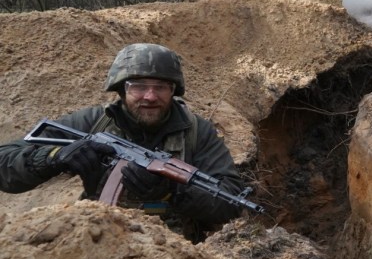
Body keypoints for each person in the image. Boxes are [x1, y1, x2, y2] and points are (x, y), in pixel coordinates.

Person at [0, 43, 246, 242]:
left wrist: (173, 191)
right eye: (138, 86)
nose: (150, 96)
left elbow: (231, 202)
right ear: (121, 89)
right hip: (95, 239)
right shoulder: (94, 123)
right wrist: (55, 156)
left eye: (161, 87)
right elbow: (5, 162)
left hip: (173, 251)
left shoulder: (196, 132)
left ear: (174, 90)